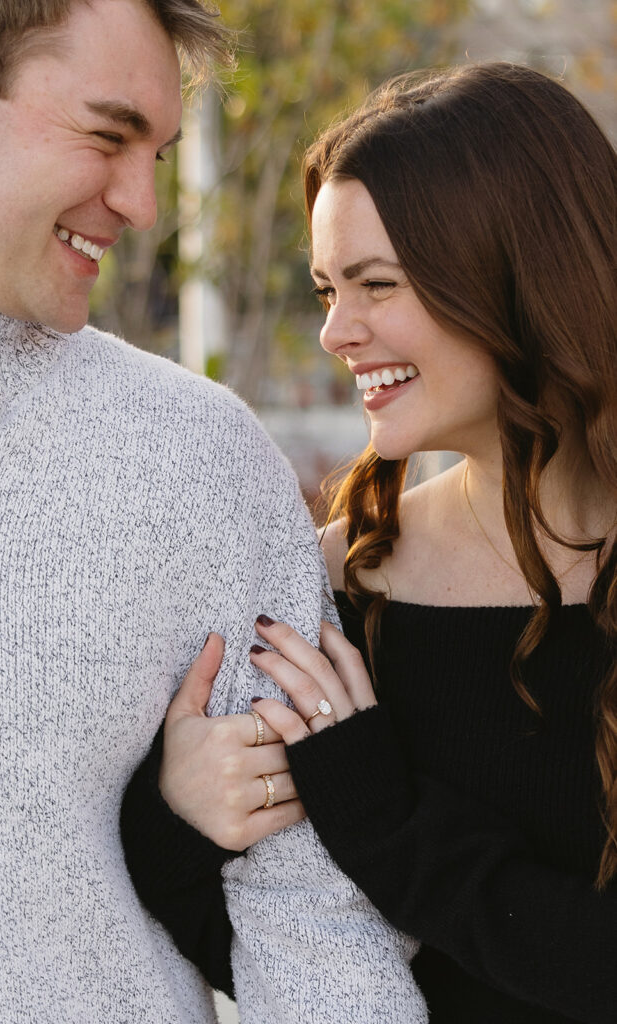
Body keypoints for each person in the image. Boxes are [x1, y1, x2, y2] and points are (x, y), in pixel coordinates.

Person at [0, 2, 429, 1021]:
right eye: (107, 134)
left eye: (155, 153)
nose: (143, 203)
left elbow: (313, 914)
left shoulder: (190, 454)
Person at [121, 62, 617, 1023]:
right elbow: (271, 950)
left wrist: (390, 828)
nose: (336, 333)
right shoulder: (331, 593)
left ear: (519, 274)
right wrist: (176, 816)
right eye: (323, 291)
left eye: (374, 285)